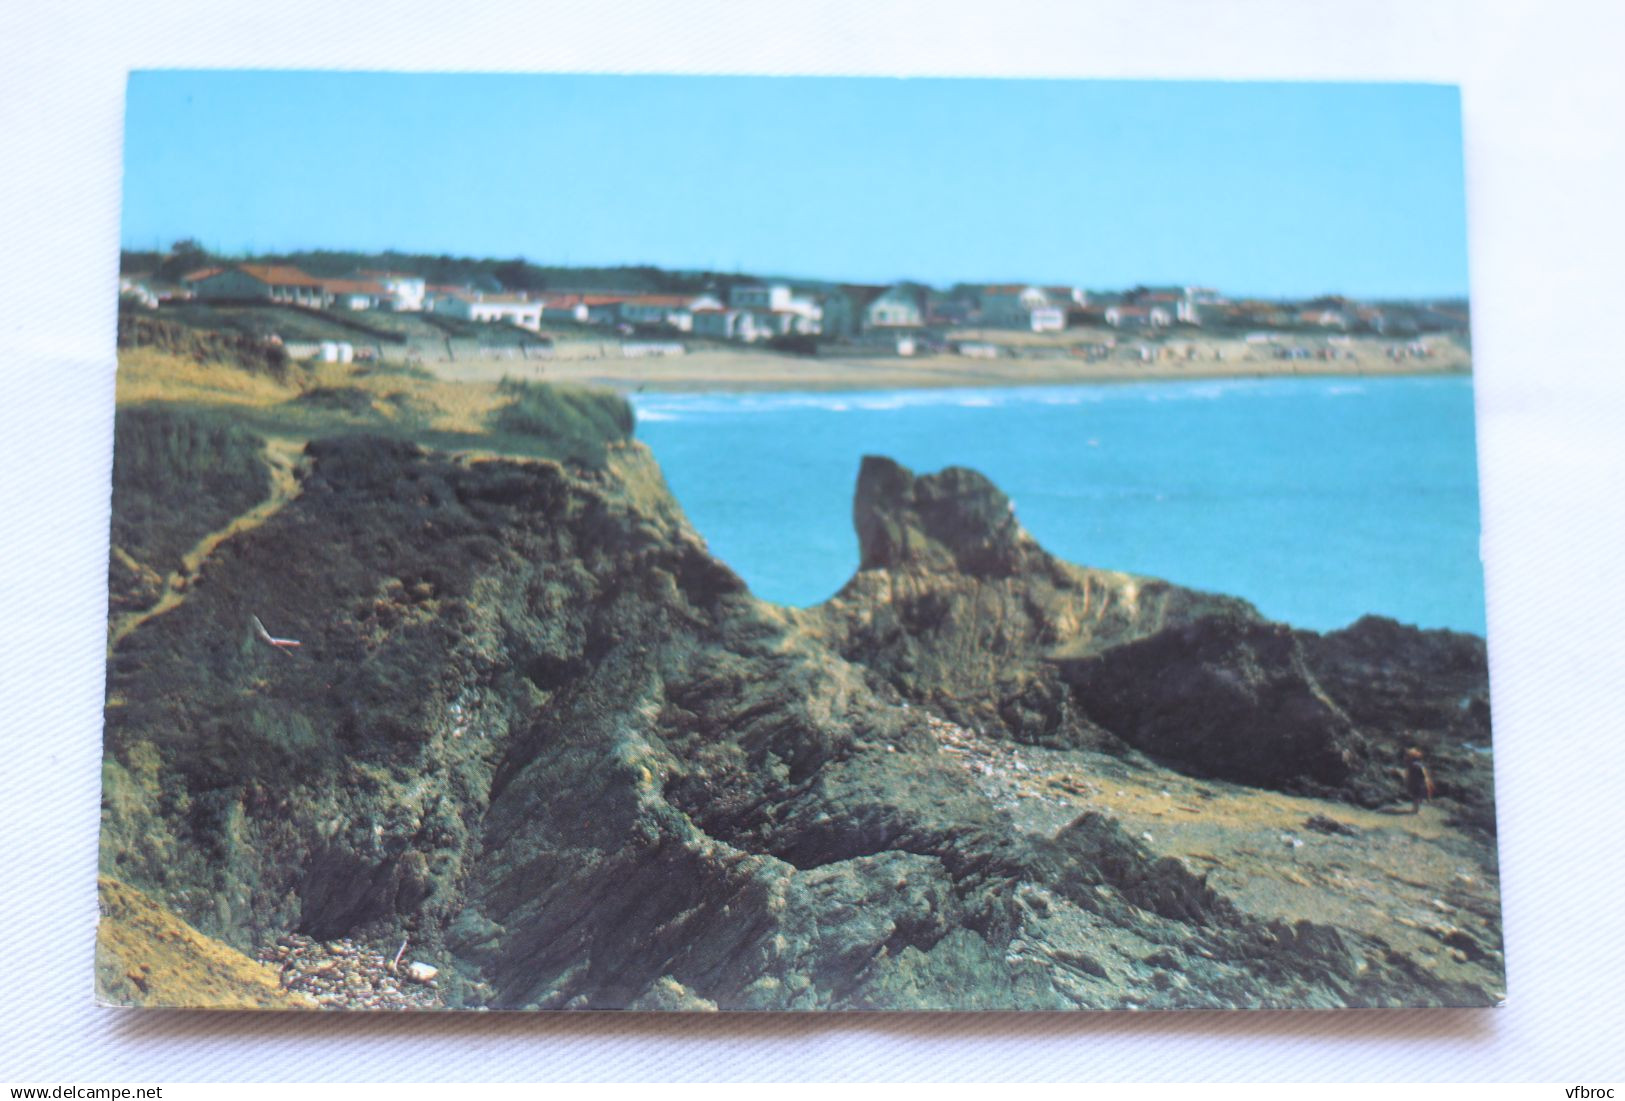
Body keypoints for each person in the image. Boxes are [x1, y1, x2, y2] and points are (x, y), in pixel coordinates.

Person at [1404, 747, 1435, 814]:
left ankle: (1416, 809)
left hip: (1417, 783)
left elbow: (1423, 775)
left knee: (1416, 796)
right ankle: (1416, 809)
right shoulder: (1417, 765)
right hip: (1416, 782)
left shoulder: (1415, 765)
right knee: (1416, 796)